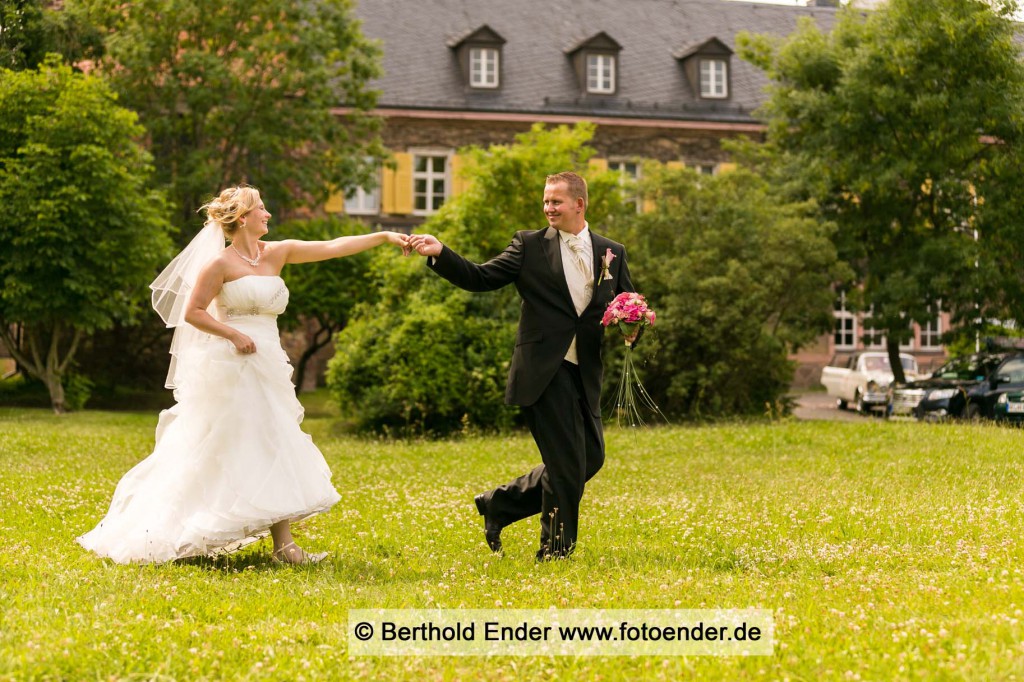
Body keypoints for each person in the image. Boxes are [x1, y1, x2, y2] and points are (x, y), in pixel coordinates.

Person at [77, 185, 409, 565]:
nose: (268, 214)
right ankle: (187, 528)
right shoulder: (219, 264)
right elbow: (194, 312)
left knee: (275, 442)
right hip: (232, 366)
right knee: (225, 446)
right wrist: (233, 333)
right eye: (262, 209)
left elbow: (333, 246)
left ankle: (284, 547)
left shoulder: (277, 253)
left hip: (269, 362)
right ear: (242, 218)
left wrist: (383, 236)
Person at [408, 171, 637, 560]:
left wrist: (633, 325)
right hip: (543, 371)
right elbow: (481, 277)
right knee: (565, 465)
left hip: (586, 371)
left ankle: (500, 504)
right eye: (546, 201)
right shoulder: (528, 246)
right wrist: (440, 253)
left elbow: (627, 300)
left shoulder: (611, 251)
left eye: (556, 201)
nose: (548, 208)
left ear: (579, 205)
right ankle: (554, 552)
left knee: (590, 458)